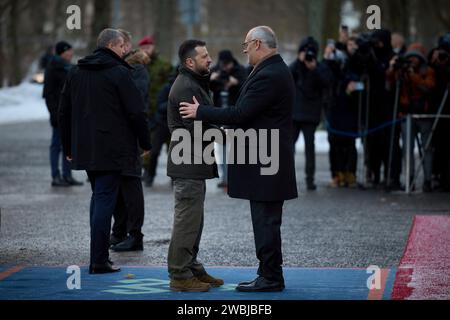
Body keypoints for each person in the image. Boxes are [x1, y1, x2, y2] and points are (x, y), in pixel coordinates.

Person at [180, 26, 298, 292]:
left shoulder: (270, 74)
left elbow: (241, 113)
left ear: (257, 44)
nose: (244, 51)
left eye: (246, 45)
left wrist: (201, 112)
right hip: (265, 158)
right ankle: (267, 273)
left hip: (266, 161)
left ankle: (271, 277)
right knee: (265, 220)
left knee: (266, 221)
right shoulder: (270, 70)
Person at [59, 28, 151, 274]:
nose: (125, 51)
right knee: (103, 199)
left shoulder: (76, 71)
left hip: (86, 148)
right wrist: (145, 142)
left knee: (98, 196)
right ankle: (99, 260)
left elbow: (64, 112)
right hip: (113, 149)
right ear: (112, 45)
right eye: (122, 47)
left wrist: (68, 146)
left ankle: (98, 256)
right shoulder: (119, 73)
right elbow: (136, 111)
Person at [166, 40, 224, 292]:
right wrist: (225, 132)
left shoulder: (194, 83)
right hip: (187, 164)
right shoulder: (186, 87)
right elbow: (194, 128)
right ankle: (180, 274)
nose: (210, 59)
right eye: (205, 56)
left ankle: (191, 267)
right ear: (190, 62)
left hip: (193, 164)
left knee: (194, 221)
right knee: (186, 222)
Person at [110, 49, 152, 252]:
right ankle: (123, 232)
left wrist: (144, 140)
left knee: (129, 185)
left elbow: (136, 107)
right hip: (128, 136)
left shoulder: (134, 71)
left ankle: (132, 235)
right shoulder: (134, 71)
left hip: (128, 136)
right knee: (125, 185)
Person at [387, 43, 436, 192]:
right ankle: (410, 179)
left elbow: (429, 87)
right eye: (410, 58)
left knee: (427, 148)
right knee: (407, 150)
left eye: (415, 57)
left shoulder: (427, 71)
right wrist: (392, 68)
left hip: (424, 114)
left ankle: (428, 180)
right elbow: (390, 82)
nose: (412, 61)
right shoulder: (402, 71)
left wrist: (412, 75)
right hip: (406, 114)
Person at [290, 36, 332, 190]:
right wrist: (298, 60)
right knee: (289, 147)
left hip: (310, 114)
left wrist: (314, 69)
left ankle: (310, 178)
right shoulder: (296, 67)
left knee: (310, 148)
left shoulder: (319, 67)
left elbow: (327, 82)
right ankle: (286, 177)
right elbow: (286, 76)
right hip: (294, 114)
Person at [43, 41, 83, 187]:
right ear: (62, 52)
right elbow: (48, 93)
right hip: (58, 113)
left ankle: (67, 175)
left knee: (68, 144)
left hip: (68, 113)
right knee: (57, 145)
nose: (71, 53)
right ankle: (56, 176)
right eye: (69, 51)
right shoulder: (54, 67)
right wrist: (54, 113)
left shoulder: (67, 66)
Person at [139, 35, 173, 187]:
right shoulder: (139, 65)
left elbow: (172, 85)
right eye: (143, 48)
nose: (146, 50)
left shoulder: (164, 65)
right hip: (148, 113)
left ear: (153, 47)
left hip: (167, 113)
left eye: (148, 47)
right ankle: (148, 174)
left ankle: (175, 177)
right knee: (151, 150)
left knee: (172, 149)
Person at [210, 50, 247, 188]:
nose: (225, 69)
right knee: (221, 150)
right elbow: (207, 86)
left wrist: (235, 83)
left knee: (236, 150)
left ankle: (235, 178)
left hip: (235, 116)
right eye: (223, 66)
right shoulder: (216, 71)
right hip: (220, 116)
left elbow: (246, 89)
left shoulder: (240, 71)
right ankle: (225, 178)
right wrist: (211, 79)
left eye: (227, 65)